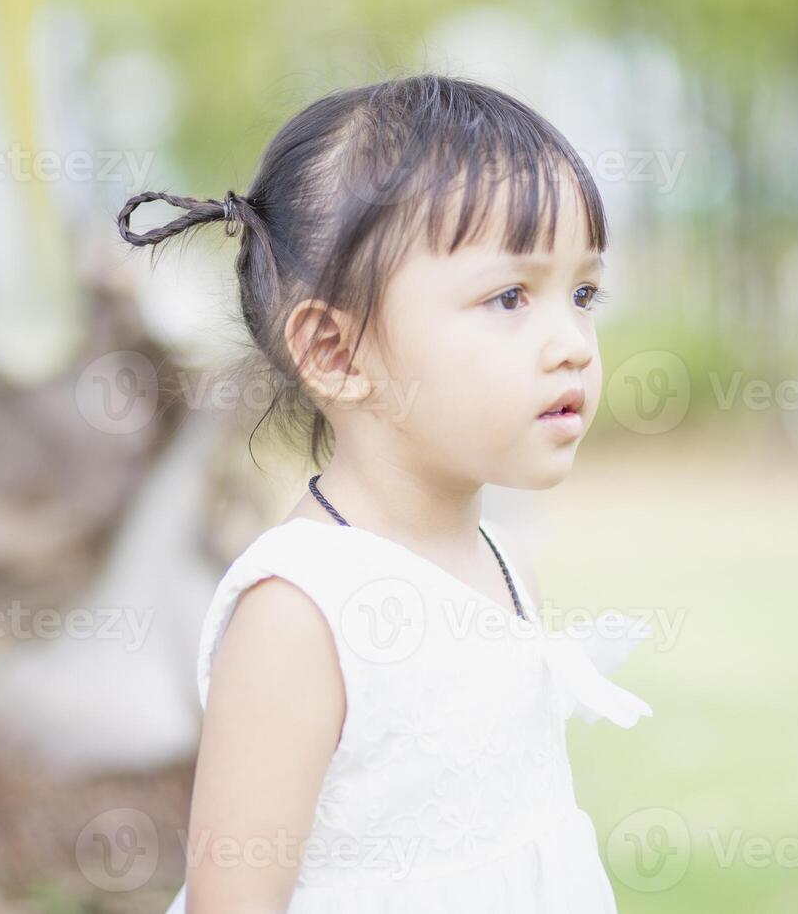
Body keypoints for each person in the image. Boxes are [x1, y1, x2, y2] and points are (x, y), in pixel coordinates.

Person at [117, 73, 655, 914]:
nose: (574, 346)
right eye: (510, 296)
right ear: (334, 350)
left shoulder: (499, 562)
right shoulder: (300, 615)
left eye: (582, 294)